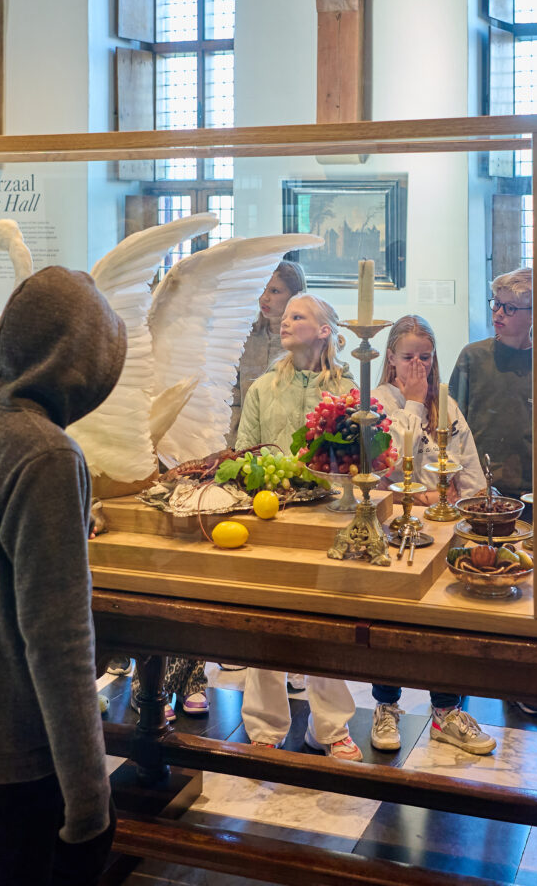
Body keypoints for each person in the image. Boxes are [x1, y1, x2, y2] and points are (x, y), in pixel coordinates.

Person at [0, 266, 122, 883]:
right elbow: (58, 640)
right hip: (24, 738)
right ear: (81, 362)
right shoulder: (44, 452)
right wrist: (89, 798)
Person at [234, 292, 363, 761]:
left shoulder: (349, 390)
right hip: (273, 515)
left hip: (328, 516)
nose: (284, 322)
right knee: (264, 620)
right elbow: (244, 448)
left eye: (297, 316)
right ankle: (265, 725)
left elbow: (360, 458)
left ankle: (329, 728)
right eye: (284, 315)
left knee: (326, 622)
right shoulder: (263, 388)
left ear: (325, 330)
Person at [448, 267, 537, 721]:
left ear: (534, 316)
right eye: (495, 305)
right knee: (474, 582)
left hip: (534, 489)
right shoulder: (472, 357)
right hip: (480, 490)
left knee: (526, 586)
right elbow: (450, 418)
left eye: (509, 308)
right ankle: (456, 684)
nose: (498, 314)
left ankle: (524, 681)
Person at [366, 316, 495, 756]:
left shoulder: (448, 404)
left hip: (443, 526)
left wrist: (463, 500)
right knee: (390, 618)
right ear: (390, 359)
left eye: (426, 357)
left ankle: (446, 709)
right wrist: (415, 404)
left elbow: (468, 473)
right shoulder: (378, 401)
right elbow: (390, 471)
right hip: (393, 528)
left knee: (447, 621)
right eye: (408, 357)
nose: (417, 366)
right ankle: (386, 704)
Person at [229, 259, 305, 444]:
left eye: (274, 291)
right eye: (262, 288)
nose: (264, 297)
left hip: (287, 441)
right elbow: (234, 393)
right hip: (246, 438)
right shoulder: (247, 337)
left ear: (295, 295)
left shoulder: (303, 343)